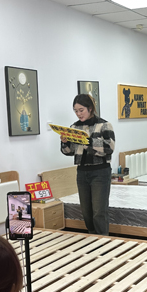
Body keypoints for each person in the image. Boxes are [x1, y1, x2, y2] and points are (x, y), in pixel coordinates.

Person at [61, 94, 115, 236]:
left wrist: (87, 142)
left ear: (90, 108)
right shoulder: (74, 127)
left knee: (99, 211)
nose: (78, 114)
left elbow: (109, 148)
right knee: (86, 211)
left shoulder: (104, 125)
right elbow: (69, 152)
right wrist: (65, 143)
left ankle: (102, 240)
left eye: (81, 110)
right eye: (76, 111)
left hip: (100, 172)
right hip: (82, 172)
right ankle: (92, 237)